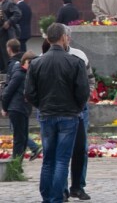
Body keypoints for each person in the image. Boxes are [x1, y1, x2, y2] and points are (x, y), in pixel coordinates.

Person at [25, 23, 90, 203]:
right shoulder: (75, 62)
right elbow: (83, 92)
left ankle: (47, 197)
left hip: (47, 115)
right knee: (62, 160)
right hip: (69, 116)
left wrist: (42, 105)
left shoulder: (37, 63)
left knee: (48, 159)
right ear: (63, 37)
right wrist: (76, 108)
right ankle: (55, 197)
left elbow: (29, 92)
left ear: (48, 39)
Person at [64, 26, 98, 201]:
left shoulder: (79, 55)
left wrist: (84, 98)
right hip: (59, 109)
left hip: (79, 108)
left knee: (80, 149)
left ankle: (78, 186)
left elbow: (90, 80)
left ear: (69, 38)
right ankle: (62, 188)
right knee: (61, 151)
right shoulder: (45, 57)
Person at [1, 50, 36, 159]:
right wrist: (5, 108)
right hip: (17, 109)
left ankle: (18, 165)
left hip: (23, 109)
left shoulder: (27, 74)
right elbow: (7, 92)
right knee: (19, 139)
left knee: (23, 139)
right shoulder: (19, 74)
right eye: (31, 64)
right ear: (25, 62)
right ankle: (15, 165)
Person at [0, 0, 22, 73]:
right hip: (1, 32)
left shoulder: (9, 3)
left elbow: (18, 14)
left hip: (7, 33)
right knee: (1, 52)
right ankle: (3, 69)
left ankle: (8, 70)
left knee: (6, 52)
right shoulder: (1, 4)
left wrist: (9, 22)